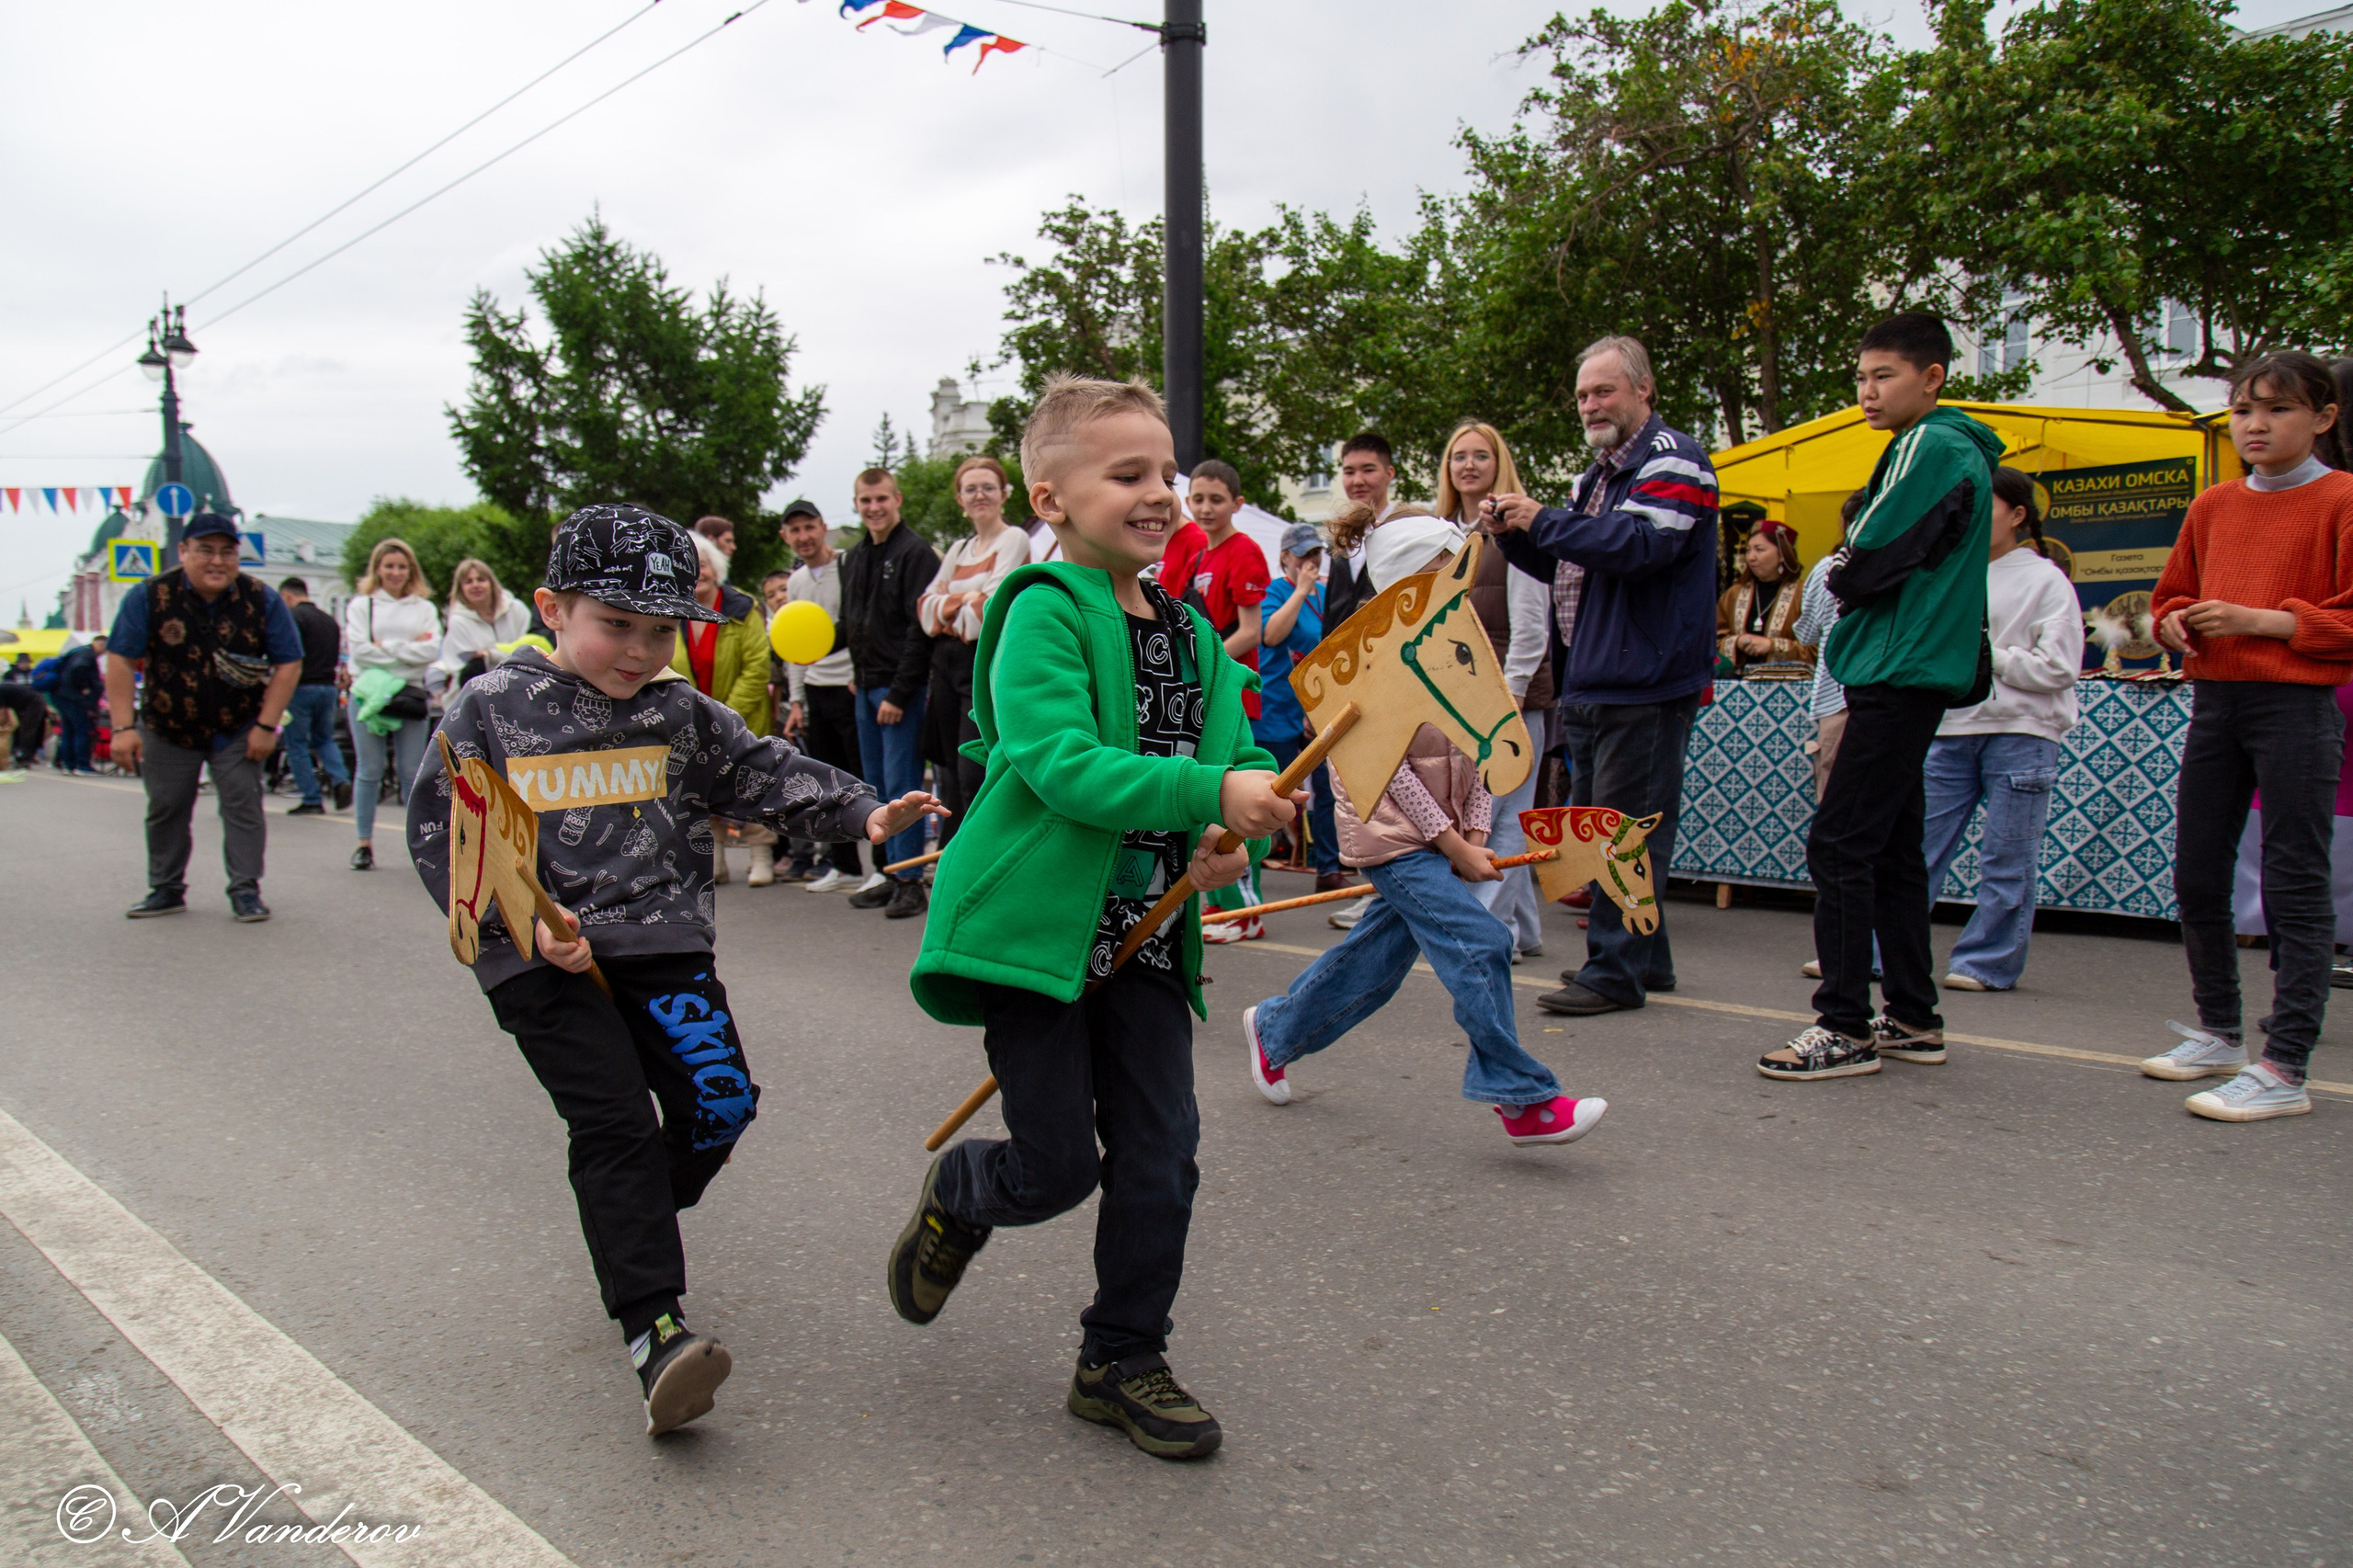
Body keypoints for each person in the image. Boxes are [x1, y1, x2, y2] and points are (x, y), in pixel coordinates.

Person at [410, 503, 941, 1437]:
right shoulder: (488, 710)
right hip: (543, 963)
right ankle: (655, 1328)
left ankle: (626, 1220)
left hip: (664, 948)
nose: (637, 649)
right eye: (615, 624)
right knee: (613, 1119)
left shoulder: (678, 712)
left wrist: (862, 810)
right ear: (551, 608)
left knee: (722, 1102)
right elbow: (441, 837)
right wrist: (525, 925)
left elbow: (763, 770)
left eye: (660, 631)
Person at [897, 373, 1295, 1462]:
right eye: (1129, 474)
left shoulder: (1196, 637)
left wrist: (1239, 838)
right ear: (1051, 498)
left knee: (1163, 1156)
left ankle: (1121, 1355)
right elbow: (1060, 764)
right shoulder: (1040, 614)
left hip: (1153, 940)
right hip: (1039, 941)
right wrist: (1207, 798)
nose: (1161, 492)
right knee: (1058, 1165)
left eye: (1167, 471)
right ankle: (966, 1190)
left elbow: (1245, 764)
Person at [1244, 507, 1610, 1151]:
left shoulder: (1452, 645)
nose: (1462, 583)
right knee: (1480, 942)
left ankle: (1276, 1032)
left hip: (1434, 834)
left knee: (1377, 963)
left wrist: (1471, 833)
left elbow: (1471, 755)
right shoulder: (1374, 659)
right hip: (1392, 838)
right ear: (1412, 580)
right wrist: (1452, 845)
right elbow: (1388, 774)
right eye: (1449, 570)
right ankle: (1521, 1100)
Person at [1755, 312, 2004, 1082]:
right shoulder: (1948, 446)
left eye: (1882, 375)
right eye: (1861, 377)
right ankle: (1912, 1015)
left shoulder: (1930, 444)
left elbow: (1864, 561)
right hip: (1911, 664)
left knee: (1839, 841)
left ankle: (1843, 1023)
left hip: (1898, 666)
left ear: (1931, 378)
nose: (1867, 391)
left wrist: (1841, 569)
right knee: (1893, 847)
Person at [2139, 350, 2353, 1122]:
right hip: (2215, 699)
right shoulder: (2213, 504)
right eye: (2241, 410)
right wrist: (2172, 625)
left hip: (2296, 706)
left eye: (2277, 409)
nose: (2254, 425)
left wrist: (2259, 619)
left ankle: (2286, 1063)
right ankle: (2220, 1031)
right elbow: (2172, 598)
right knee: (2198, 870)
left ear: (2324, 418)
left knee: (2295, 880)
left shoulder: (2343, 500)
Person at [1486, 335, 1722, 1017]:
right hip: (1596, 678)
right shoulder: (1598, 476)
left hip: (1642, 681)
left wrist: (1545, 520)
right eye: (1584, 394)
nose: (1590, 404)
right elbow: (1573, 566)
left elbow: (1641, 547)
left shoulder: (1671, 461)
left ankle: (1615, 973)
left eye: (1604, 391)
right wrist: (1515, 536)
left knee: (1618, 831)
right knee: (1607, 829)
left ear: (1644, 391)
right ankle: (1649, 959)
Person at [1918, 466, 2083, 992]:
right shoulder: (1949, 569)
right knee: (1916, 848)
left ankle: (1985, 962)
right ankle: (1879, 952)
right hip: (1949, 727)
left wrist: (1990, 656)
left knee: (2007, 855)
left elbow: (2060, 666)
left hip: (2022, 731)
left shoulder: (2045, 579)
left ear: (2017, 515)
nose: (1968, 516)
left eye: (1983, 505)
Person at [106, 511, 303, 922]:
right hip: (168, 724)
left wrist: (267, 725)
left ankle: (246, 889)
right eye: (205, 551)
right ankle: (166, 888)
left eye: (227, 552)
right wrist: (123, 728)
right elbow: (121, 659)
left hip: (239, 726)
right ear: (183, 552)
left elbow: (289, 663)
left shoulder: (262, 599)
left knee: (242, 806)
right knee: (166, 805)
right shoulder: (148, 596)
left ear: (238, 556)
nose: (217, 561)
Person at [1436, 420, 1556, 962]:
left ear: (1498, 464)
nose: (1468, 465)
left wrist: (1512, 695)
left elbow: (1532, 626)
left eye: (1480, 455)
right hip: (1459, 699)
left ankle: (1488, 932)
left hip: (1509, 698)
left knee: (1502, 815)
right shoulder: (1442, 532)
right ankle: (1521, 928)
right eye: (1459, 456)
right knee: (1484, 811)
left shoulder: (1517, 530)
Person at [1169, 461, 1273, 936]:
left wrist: (1204, 670)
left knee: (1237, 798)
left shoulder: (1245, 551)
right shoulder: (1197, 554)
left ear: (1238, 503)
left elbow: (1253, 631)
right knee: (1209, 799)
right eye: (1199, 499)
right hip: (1201, 693)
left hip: (1230, 695)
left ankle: (1244, 911)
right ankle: (1220, 905)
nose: (1206, 508)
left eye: (1217, 499)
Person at [917, 456, 1034, 850]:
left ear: (1004, 494)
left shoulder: (1014, 538)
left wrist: (950, 605)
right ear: (960, 499)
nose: (980, 495)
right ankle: (958, 855)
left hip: (982, 663)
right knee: (949, 770)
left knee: (974, 768)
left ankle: (985, 854)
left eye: (988, 487)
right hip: (946, 665)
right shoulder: (959, 548)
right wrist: (965, 601)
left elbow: (991, 611)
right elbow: (924, 610)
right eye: (971, 488)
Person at [839, 468, 941, 916]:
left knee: (903, 788)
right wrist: (856, 671)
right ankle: (885, 870)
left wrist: (899, 693)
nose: (874, 508)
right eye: (865, 501)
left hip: (898, 690)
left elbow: (919, 633)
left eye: (881, 499)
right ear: (857, 505)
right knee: (874, 785)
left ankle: (909, 879)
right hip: (864, 683)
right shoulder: (856, 556)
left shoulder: (915, 553)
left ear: (897, 499)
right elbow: (855, 621)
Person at [1321, 432, 1411, 932]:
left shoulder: (1406, 530)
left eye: (1368, 469)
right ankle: (1377, 892)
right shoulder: (1341, 540)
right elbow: (1336, 622)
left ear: (1389, 474)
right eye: (1349, 470)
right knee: (1358, 793)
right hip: (1347, 686)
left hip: (1391, 684)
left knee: (1392, 792)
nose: (1357, 480)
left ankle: (1388, 892)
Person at [670, 534, 778, 885]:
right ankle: (712, 856)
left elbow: (757, 666)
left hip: (742, 714)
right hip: (689, 716)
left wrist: (723, 715)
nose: (698, 571)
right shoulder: (670, 609)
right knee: (701, 781)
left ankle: (761, 854)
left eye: (703, 563)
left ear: (717, 567)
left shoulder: (742, 606)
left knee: (753, 781)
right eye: (690, 564)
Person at [779, 500, 871, 893]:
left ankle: (884, 866)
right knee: (829, 782)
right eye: (794, 531)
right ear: (786, 537)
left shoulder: (847, 565)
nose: (803, 537)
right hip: (816, 690)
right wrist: (796, 699)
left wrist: (860, 672)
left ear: (822, 527)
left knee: (863, 777)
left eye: (808, 528)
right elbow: (794, 645)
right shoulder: (796, 583)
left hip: (851, 685)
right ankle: (845, 865)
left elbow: (860, 625)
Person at [1255, 522, 1350, 895]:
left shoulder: (1326, 596)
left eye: (1316, 554)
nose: (1311, 561)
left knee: (1326, 791)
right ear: (1285, 558)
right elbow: (1271, 634)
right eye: (1303, 554)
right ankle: (1246, 863)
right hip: (1278, 708)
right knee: (1271, 789)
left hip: (1318, 709)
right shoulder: (1275, 592)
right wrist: (1302, 589)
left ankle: (1328, 867)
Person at [344, 538, 442, 872]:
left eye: (402, 566)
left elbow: (431, 652)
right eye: (389, 566)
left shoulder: (424, 608)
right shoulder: (362, 605)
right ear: (377, 569)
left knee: (412, 773)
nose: (395, 572)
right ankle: (363, 843)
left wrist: (384, 646)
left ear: (410, 570)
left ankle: (420, 848)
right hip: (368, 695)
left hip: (410, 696)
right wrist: (407, 649)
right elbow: (359, 651)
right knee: (369, 770)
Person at [275, 579, 353, 816]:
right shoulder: (329, 621)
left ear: (287, 596)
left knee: (296, 744)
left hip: (300, 688)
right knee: (325, 740)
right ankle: (340, 780)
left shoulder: (293, 618)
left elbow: (288, 654)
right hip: (328, 689)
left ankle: (311, 798)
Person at [1716, 520, 1813, 672]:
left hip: (1790, 688)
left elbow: (1818, 649)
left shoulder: (1805, 595)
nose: (1751, 557)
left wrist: (1772, 646)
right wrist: (1737, 642)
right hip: (1737, 687)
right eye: (1748, 550)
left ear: (1782, 555)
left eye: (1759, 550)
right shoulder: (1733, 595)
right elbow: (1712, 639)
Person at [438, 558, 531, 689]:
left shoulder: (516, 610)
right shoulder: (457, 622)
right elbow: (464, 669)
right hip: (479, 690)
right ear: (461, 589)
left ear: (492, 583)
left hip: (521, 683)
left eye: (481, 580)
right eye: (468, 582)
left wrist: (491, 655)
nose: (475, 585)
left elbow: (532, 650)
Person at [50, 634, 106, 774]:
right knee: (81, 731)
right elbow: (78, 669)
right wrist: (85, 689)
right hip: (74, 698)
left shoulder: (78, 652)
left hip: (62, 695)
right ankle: (82, 764)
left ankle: (68, 764)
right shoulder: (87, 655)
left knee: (68, 731)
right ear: (100, 645)